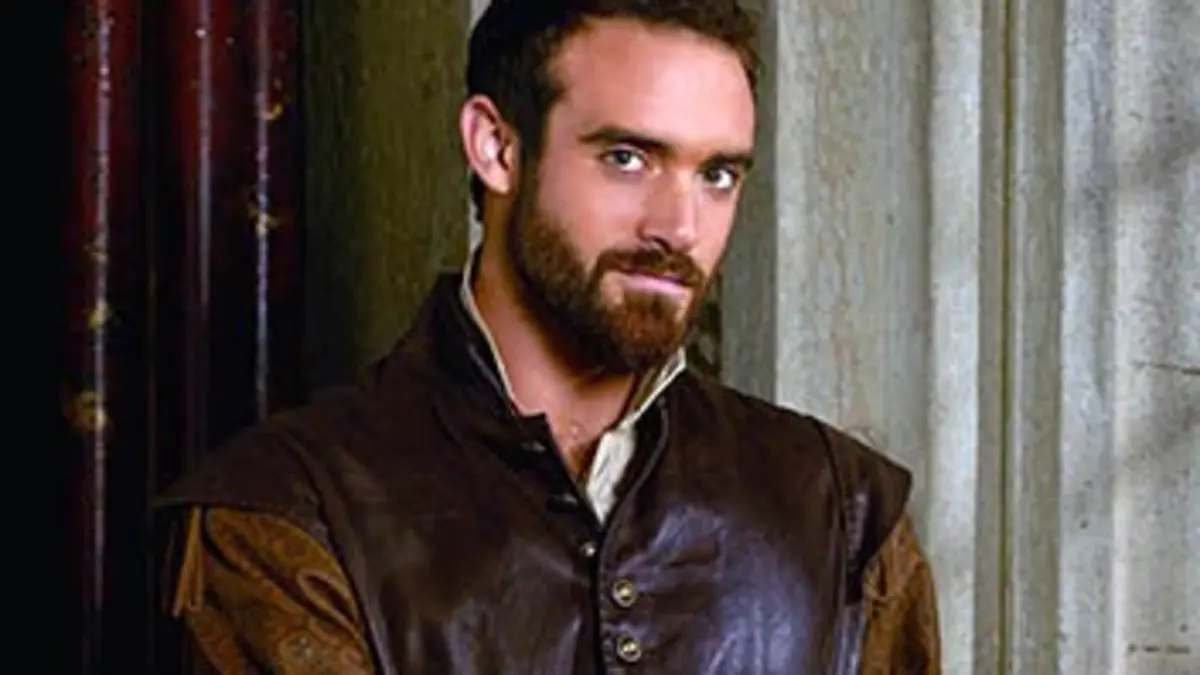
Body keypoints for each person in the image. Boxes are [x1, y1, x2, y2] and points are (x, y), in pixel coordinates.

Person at [157, 1, 941, 672]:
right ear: (496, 147)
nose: (680, 226)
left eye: (717, 175)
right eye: (628, 158)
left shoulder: (847, 515)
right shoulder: (283, 514)